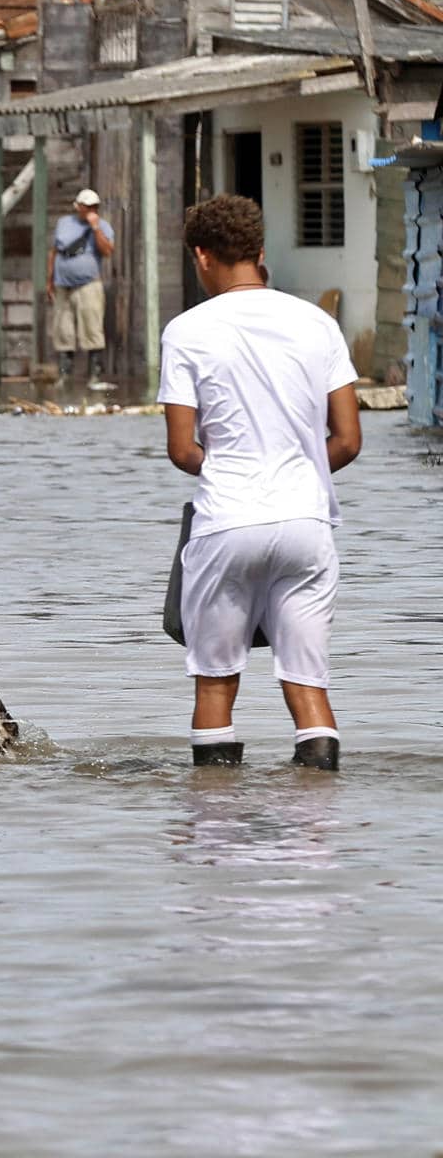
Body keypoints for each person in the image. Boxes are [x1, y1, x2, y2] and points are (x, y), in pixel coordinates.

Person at [159, 194, 362, 771]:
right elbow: (347, 440)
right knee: (308, 687)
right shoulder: (317, 323)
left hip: (227, 524)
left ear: (201, 256)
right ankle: (313, 838)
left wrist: (231, 465)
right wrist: (293, 466)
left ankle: (216, 830)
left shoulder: (187, 330)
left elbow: (181, 449)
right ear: (260, 251)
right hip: (305, 524)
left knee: (216, 686)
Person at [48, 187, 117, 389]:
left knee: (92, 329)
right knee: (63, 330)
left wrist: (95, 228)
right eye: (86, 207)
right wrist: (49, 279)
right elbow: (54, 251)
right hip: (63, 284)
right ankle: (64, 376)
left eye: (93, 207)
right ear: (78, 207)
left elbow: (107, 251)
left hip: (88, 285)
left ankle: (94, 375)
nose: (89, 210)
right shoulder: (64, 224)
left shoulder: (103, 226)